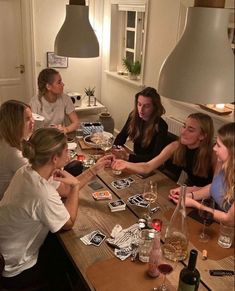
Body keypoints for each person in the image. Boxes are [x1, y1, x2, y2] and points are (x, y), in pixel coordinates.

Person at [0, 127, 111, 289]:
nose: (69, 154)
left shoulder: (28, 171)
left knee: (59, 247)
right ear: (54, 158)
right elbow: (69, 222)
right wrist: (74, 187)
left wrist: (94, 169)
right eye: (66, 150)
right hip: (15, 268)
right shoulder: (41, 193)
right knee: (72, 262)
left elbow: (64, 190)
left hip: (5, 246)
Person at [112, 113, 216, 187]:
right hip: (190, 191)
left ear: (202, 135)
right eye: (184, 126)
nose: (183, 132)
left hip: (211, 198)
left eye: (190, 130)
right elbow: (147, 166)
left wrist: (192, 193)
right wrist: (125, 164)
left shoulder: (214, 154)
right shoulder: (176, 146)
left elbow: (217, 188)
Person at [169, 123, 234, 225]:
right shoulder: (221, 161)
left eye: (218, 145)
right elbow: (214, 187)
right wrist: (190, 195)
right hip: (214, 219)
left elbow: (229, 220)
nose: (214, 148)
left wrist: (195, 204)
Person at [114, 87, 168, 162]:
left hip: (151, 166)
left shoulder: (161, 126)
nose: (141, 109)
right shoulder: (133, 116)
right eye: (139, 104)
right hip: (135, 159)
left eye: (146, 106)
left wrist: (128, 156)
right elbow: (122, 136)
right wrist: (117, 149)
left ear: (155, 107)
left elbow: (155, 158)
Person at [0, 100, 34, 200]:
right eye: (27, 119)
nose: (33, 121)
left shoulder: (6, 140)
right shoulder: (13, 153)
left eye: (32, 116)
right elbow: (40, 179)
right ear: (15, 123)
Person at [30, 68, 79, 133]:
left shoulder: (65, 98)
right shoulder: (34, 102)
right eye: (59, 82)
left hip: (59, 137)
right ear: (48, 86)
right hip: (42, 138)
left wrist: (65, 129)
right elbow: (30, 129)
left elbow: (76, 123)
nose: (63, 84)